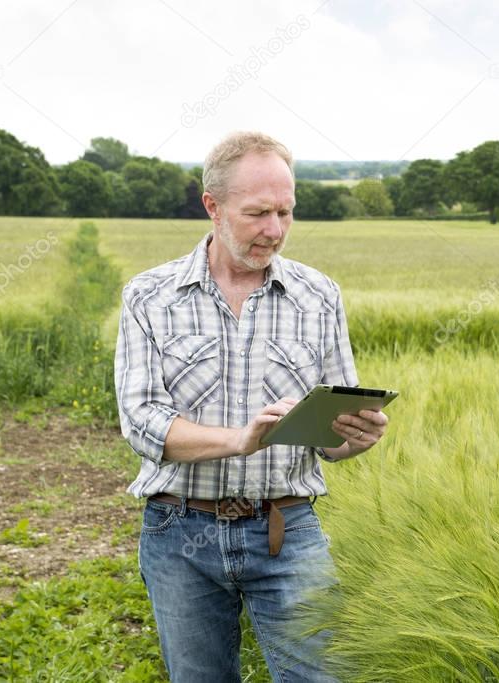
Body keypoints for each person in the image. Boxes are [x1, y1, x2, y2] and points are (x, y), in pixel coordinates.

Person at [114, 131, 389, 682]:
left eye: (286, 212)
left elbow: (330, 430)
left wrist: (351, 438)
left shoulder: (320, 296)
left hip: (287, 528)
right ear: (212, 206)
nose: (275, 230)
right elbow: (142, 422)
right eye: (258, 213)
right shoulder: (149, 296)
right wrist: (238, 439)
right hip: (179, 534)